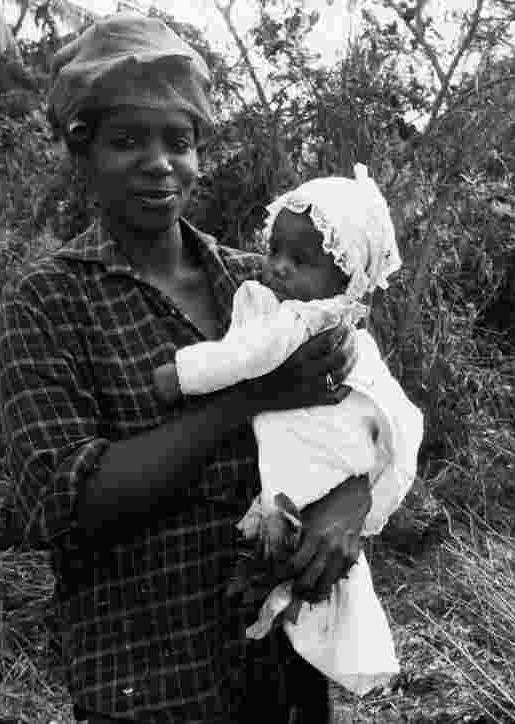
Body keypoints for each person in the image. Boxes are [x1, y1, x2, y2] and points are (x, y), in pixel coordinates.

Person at [0, 14, 369, 723]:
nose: (159, 163)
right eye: (127, 140)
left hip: (285, 664)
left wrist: (351, 498)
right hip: (150, 680)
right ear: (84, 151)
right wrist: (250, 397)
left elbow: (360, 404)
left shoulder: (259, 284)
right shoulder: (49, 301)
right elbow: (66, 504)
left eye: (179, 140)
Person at [152, 164, 423, 697]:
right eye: (275, 250)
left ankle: (274, 613)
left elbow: (240, 357)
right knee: (298, 567)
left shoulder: (298, 319)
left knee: (284, 553)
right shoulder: (337, 321)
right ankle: (287, 619)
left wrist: (177, 375)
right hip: (318, 469)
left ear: (345, 278)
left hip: (314, 461)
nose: (276, 267)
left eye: (298, 261)